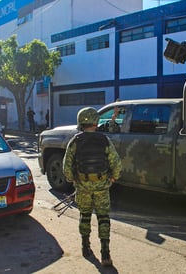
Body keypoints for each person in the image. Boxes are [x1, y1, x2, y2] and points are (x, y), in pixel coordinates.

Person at [63, 107, 122, 267]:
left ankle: (85, 247)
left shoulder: (75, 141)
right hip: (102, 186)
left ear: (81, 121)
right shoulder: (104, 140)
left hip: (82, 186)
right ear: (96, 122)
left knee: (85, 215)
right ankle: (105, 253)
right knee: (103, 217)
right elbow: (116, 163)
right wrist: (113, 178)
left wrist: (73, 180)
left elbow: (67, 167)